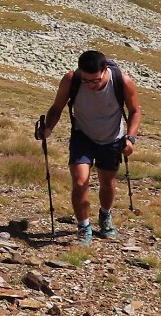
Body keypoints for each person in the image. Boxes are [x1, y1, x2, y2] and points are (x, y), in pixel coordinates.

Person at [34, 50, 142, 245]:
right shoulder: (71, 80)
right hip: (82, 136)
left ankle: (105, 215)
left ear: (105, 70)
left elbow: (135, 111)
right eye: (86, 81)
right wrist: (48, 128)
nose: (91, 85)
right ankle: (84, 227)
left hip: (112, 138)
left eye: (96, 81)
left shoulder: (122, 81)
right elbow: (56, 108)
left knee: (107, 183)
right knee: (80, 181)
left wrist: (130, 139)